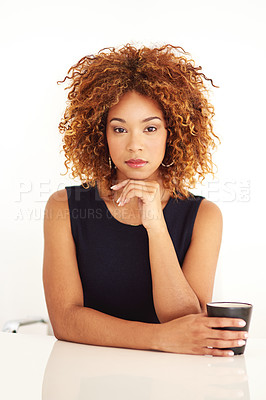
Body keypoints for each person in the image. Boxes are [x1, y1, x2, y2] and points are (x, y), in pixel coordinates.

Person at [43, 44, 248, 356]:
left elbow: (186, 321)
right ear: (102, 135)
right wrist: (159, 339)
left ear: (172, 132)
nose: (135, 145)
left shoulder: (204, 216)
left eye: (150, 128)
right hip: (83, 377)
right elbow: (66, 322)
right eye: (119, 129)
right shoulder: (64, 208)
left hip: (169, 382)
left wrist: (155, 224)